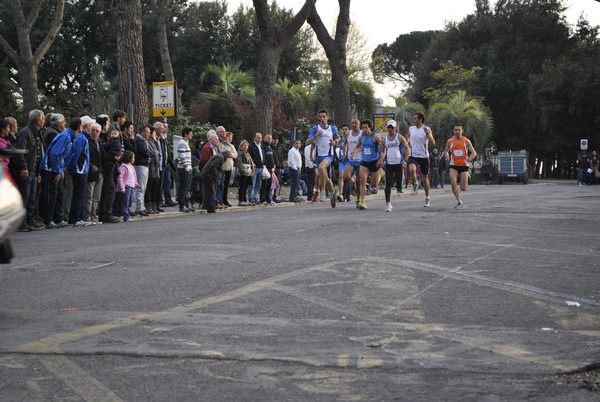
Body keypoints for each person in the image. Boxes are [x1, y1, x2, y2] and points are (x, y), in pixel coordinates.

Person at [39, 117, 82, 228]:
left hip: (58, 167)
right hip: (50, 168)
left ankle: (58, 218)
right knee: (51, 194)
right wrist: (57, 170)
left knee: (60, 193)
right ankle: (48, 219)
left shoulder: (70, 136)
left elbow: (63, 155)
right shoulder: (65, 136)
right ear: (79, 127)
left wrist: (61, 169)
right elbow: (55, 154)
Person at [14, 109, 46, 232]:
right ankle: (21, 223)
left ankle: (30, 220)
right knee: (25, 197)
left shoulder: (37, 133)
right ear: (38, 120)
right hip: (27, 170)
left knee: (32, 198)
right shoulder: (25, 132)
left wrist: (38, 172)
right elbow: (20, 152)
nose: (43, 121)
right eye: (42, 119)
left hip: (33, 171)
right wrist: (23, 168)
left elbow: (38, 154)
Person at [306, 109, 339, 207]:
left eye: (324, 116)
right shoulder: (315, 128)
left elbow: (338, 137)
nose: (322, 118)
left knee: (321, 168)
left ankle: (323, 191)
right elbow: (307, 142)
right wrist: (316, 135)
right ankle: (332, 192)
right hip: (318, 156)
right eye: (320, 117)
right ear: (318, 118)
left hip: (328, 155)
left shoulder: (332, 128)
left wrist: (335, 142)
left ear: (327, 117)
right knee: (320, 175)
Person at [351, 119, 384, 210]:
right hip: (365, 161)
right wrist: (353, 152)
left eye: (366, 128)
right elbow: (358, 146)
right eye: (363, 128)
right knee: (362, 180)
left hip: (374, 161)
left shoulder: (375, 136)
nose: (364, 130)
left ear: (370, 128)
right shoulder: (361, 137)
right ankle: (363, 202)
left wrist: (381, 158)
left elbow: (383, 146)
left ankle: (380, 173)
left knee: (374, 185)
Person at [443, 122, 477, 208]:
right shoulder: (450, 141)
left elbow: (474, 153)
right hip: (453, 165)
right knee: (453, 182)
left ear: (462, 131)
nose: (457, 131)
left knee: (463, 188)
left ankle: (467, 175)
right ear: (453, 131)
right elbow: (446, 151)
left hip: (463, 165)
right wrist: (446, 156)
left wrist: (469, 160)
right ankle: (459, 201)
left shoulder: (466, 141)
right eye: (455, 130)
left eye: (459, 130)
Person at [66, 116, 91, 226]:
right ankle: (74, 218)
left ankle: (78, 217)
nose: (91, 126)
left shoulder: (83, 137)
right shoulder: (81, 137)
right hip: (79, 169)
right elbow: (77, 153)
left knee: (81, 193)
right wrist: (72, 166)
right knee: (79, 194)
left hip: (82, 169)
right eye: (89, 124)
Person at [408, 111, 436, 207]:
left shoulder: (426, 129)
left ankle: (427, 197)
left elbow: (433, 142)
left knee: (425, 178)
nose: (413, 120)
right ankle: (415, 183)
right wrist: (405, 143)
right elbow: (407, 138)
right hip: (413, 155)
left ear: (420, 120)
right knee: (412, 169)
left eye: (415, 118)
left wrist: (428, 134)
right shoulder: (411, 128)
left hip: (423, 156)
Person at [382, 120, 410, 212]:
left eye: (392, 127)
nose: (390, 129)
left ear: (395, 128)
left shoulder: (400, 137)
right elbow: (383, 151)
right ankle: (388, 203)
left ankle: (399, 187)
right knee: (387, 184)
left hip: (398, 163)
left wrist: (405, 160)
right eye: (389, 127)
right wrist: (381, 159)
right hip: (389, 163)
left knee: (398, 185)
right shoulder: (385, 139)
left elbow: (407, 149)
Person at [84, 122, 106, 225]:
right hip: (91, 172)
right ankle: (87, 216)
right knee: (89, 195)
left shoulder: (100, 142)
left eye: (97, 131)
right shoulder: (87, 141)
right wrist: (91, 165)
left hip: (100, 171)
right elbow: (85, 156)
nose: (95, 133)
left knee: (96, 196)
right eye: (93, 130)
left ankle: (93, 215)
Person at [202, 147, 232, 213]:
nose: (231, 154)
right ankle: (210, 208)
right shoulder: (220, 157)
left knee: (210, 191)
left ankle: (207, 205)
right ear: (226, 153)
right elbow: (213, 166)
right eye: (230, 152)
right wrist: (216, 175)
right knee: (211, 191)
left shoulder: (221, 156)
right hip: (209, 175)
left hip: (208, 174)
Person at [342, 119, 363, 203]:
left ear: (359, 124)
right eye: (352, 123)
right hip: (351, 160)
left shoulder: (362, 133)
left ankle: (358, 199)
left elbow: (362, 145)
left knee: (359, 182)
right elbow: (345, 144)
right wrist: (344, 153)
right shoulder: (348, 133)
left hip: (360, 160)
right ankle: (351, 181)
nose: (354, 125)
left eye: (356, 123)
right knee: (346, 177)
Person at [133, 125, 151, 216]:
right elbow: (145, 152)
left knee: (143, 187)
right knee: (140, 186)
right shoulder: (139, 141)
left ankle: (142, 206)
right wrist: (150, 153)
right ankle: (139, 207)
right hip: (140, 165)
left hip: (144, 165)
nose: (149, 134)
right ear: (142, 132)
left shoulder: (144, 141)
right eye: (147, 132)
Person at [116, 150, 138, 223]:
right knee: (125, 202)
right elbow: (120, 178)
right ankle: (126, 216)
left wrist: (136, 183)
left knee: (129, 201)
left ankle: (128, 214)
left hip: (131, 186)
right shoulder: (123, 167)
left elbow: (133, 175)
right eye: (133, 158)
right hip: (126, 186)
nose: (134, 159)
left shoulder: (130, 166)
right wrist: (122, 188)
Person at [176, 127, 194, 212]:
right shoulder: (182, 143)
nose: (191, 135)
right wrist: (186, 166)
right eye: (190, 133)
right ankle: (182, 205)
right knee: (183, 187)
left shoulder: (186, 143)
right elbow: (182, 156)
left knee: (186, 188)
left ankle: (186, 204)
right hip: (183, 168)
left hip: (187, 168)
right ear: (185, 134)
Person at [235, 139, 254, 206]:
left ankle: (244, 199)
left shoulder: (247, 153)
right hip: (242, 172)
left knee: (246, 186)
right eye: (244, 145)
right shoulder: (239, 153)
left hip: (248, 172)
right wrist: (242, 170)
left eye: (247, 145)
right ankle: (241, 200)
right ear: (241, 145)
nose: (246, 146)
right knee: (242, 186)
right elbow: (239, 162)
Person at [248, 132, 264, 205]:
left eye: (260, 138)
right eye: (258, 137)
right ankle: (251, 198)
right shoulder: (251, 146)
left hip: (261, 167)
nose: (260, 139)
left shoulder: (261, 146)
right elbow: (249, 155)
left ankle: (255, 197)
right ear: (254, 138)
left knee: (258, 184)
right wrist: (252, 163)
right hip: (254, 167)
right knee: (252, 184)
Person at [260, 133, 275, 205]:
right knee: (264, 184)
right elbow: (263, 157)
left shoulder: (269, 147)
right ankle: (262, 199)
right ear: (264, 138)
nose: (269, 139)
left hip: (270, 168)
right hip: (266, 167)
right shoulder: (263, 146)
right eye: (268, 138)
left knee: (269, 184)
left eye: (270, 138)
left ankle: (268, 198)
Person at [288, 138, 303, 202]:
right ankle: (292, 197)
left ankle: (295, 196)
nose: (298, 145)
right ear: (293, 144)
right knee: (295, 183)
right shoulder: (292, 151)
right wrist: (295, 168)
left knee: (297, 183)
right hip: (294, 169)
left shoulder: (297, 151)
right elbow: (291, 161)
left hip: (298, 168)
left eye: (299, 143)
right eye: (296, 143)